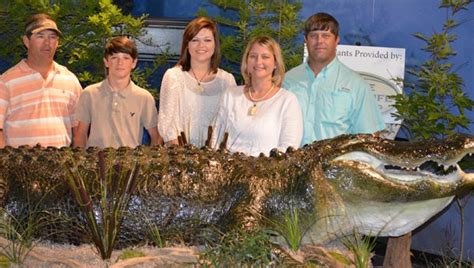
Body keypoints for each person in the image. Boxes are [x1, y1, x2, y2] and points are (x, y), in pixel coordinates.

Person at [283, 12, 385, 146]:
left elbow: (370, 139)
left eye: (326, 36)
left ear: (337, 40)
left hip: (336, 166)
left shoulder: (356, 85)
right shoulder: (288, 80)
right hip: (293, 164)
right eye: (314, 36)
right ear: (305, 40)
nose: (319, 41)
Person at [0, 13, 82, 148]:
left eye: (52, 37)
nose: (47, 42)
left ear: (58, 43)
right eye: (40, 36)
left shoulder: (70, 80)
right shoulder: (6, 82)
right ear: (26, 41)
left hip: (61, 166)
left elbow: (79, 129)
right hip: (21, 167)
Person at [212, 36, 303, 156]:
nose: (258, 62)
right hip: (229, 172)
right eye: (253, 56)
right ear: (246, 62)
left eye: (265, 57)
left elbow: (289, 149)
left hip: (267, 173)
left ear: (275, 63)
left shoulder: (287, 101)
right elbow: (214, 140)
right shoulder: (230, 95)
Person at [158, 17, 236, 147]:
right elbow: (167, 125)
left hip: (216, 161)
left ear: (215, 44)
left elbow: (230, 125)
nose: (201, 46)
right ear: (187, 45)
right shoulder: (173, 77)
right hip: (178, 157)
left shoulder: (227, 81)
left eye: (207, 40)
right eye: (195, 40)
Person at [73, 36, 160, 148]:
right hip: (96, 163)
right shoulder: (89, 94)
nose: (120, 63)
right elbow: (81, 134)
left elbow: (155, 136)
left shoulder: (144, 97)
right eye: (114, 57)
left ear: (134, 63)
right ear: (106, 62)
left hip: (130, 164)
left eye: (126, 58)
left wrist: (148, 162)